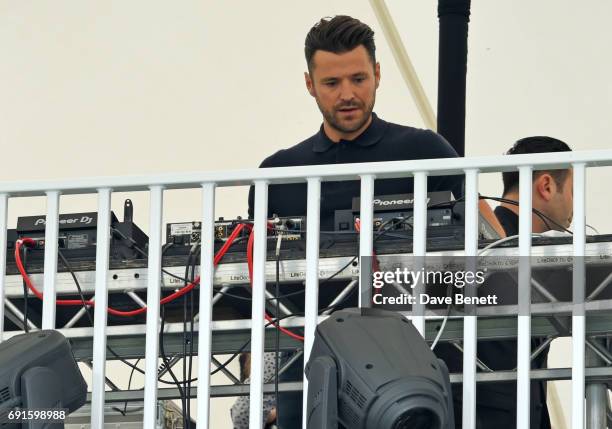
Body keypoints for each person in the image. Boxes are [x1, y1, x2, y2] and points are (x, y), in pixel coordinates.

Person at [246, 15, 504, 428]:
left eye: (358, 79)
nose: (347, 94)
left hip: (416, 374)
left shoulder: (424, 150)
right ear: (310, 84)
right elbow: (252, 286)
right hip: (312, 376)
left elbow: (492, 240)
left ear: (378, 75)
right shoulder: (278, 173)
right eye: (332, 84)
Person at [440, 136, 572, 428]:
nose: (573, 207)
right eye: (573, 191)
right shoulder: (480, 239)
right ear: (547, 186)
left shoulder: (532, 248)